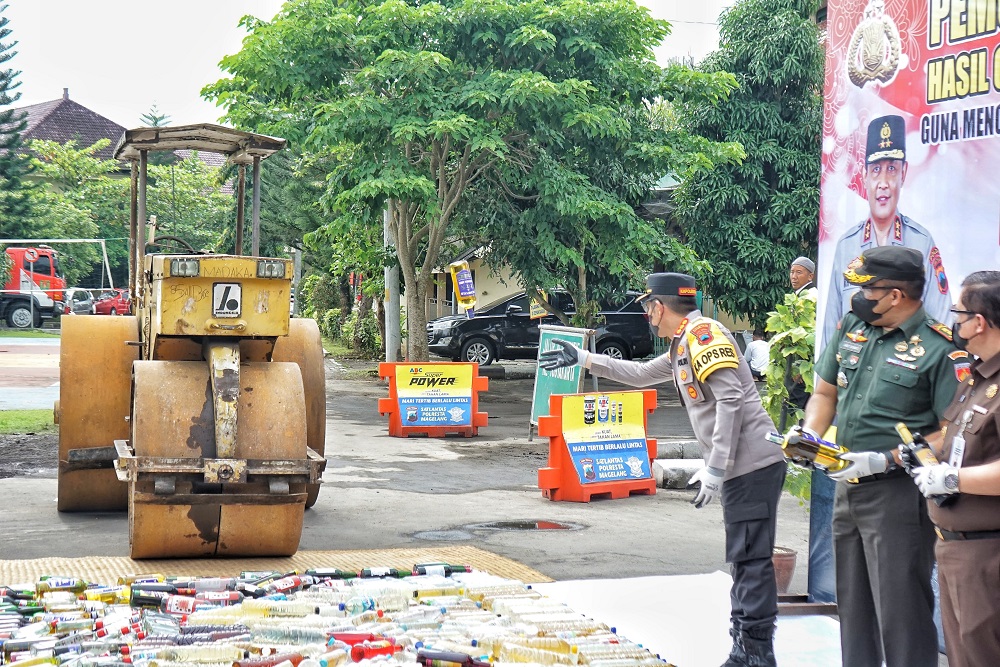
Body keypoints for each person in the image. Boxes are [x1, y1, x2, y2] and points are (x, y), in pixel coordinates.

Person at [540, 273, 786, 667]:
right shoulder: (683, 342)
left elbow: (731, 399)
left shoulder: (704, 334)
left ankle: (756, 654)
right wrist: (584, 358)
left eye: (646, 307)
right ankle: (745, 648)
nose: (645, 315)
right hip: (743, 466)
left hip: (752, 464)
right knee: (744, 556)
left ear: (659, 306)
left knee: (751, 558)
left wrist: (716, 467)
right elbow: (639, 375)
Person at [794, 246, 961, 667]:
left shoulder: (939, 349)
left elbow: (952, 433)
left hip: (899, 494)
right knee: (852, 607)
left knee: (900, 610)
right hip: (847, 488)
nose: (859, 297)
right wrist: (810, 434)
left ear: (896, 296)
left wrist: (888, 459)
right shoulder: (855, 326)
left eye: (867, 289)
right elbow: (825, 393)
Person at [908, 270, 1000, 667]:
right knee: (964, 656)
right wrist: (907, 452)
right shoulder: (977, 375)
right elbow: (953, 434)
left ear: (978, 321)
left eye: (959, 313)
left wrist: (952, 478)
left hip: (986, 552)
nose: (954, 322)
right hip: (953, 545)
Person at [821, 114, 952, 351]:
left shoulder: (922, 242)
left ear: (903, 173)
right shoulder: (846, 244)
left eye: (891, 169)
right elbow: (832, 326)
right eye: (876, 170)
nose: (883, 182)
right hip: (854, 373)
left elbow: (942, 320)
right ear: (864, 176)